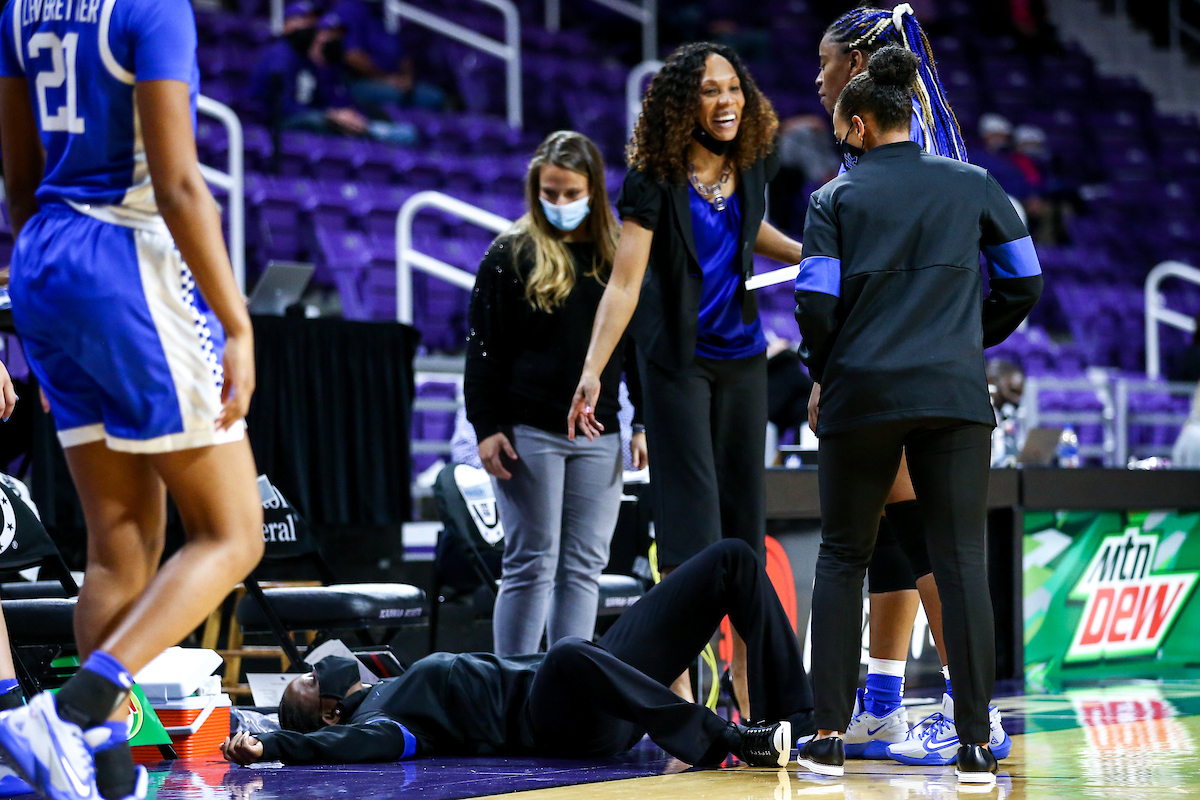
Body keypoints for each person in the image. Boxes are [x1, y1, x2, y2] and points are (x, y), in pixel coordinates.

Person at [0, 1, 266, 799]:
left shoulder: (18, 9)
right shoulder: (152, 7)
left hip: (42, 262)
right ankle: (72, 710)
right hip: (126, 258)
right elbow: (179, 185)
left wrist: (57, 314)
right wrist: (236, 321)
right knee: (233, 533)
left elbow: (18, 175)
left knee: (118, 546)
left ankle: (99, 770)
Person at [792, 46, 1042, 784]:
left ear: (860, 126)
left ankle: (829, 740)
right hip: (954, 397)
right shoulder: (974, 183)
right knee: (961, 561)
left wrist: (825, 369)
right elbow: (1025, 280)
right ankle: (975, 747)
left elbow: (815, 305)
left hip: (861, 397)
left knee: (843, 556)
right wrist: (967, 338)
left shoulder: (833, 199)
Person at [567, 42, 804, 716]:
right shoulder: (653, 179)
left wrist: (806, 251)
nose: (726, 101)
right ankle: (679, 697)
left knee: (745, 526)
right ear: (682, 103)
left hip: (743, 360)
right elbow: (625, 282)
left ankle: (751, 689)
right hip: (676, 362)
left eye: (733, 87)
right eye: (709, 90)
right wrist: (593, 371)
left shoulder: (752, 161)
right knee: (690, 532)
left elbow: (748, 228)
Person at [220, 539, 812, 769]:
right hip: (561, 719)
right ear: (328, 713)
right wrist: (274, 745)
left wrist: (260, 723)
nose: (315, 667)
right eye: (307, 681)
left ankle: (795, 726)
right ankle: (726, 739)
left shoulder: (382, 678)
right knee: (566, 653)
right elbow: (343, 747)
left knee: (732, 560)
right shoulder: (384, 722)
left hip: (602, 679)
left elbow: (346, 673)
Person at [812, 4, 991, 765]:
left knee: (923, 539)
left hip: (895, 377)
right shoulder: (919, 149)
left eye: (824, 63)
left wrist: (826, 369)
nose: (817, 79)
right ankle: (883, 701)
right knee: (892, 527)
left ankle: (967, 707)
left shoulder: (882, 169)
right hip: (934, 371)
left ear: (856, 68)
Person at [465, 131, 647, 657]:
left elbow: (636, 349)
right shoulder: (509, 254)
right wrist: (486, 428)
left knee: (584, 566)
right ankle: (511, 685)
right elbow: (483, 351)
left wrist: (642, 423)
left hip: (599, 432)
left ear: (593, 190)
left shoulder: (619, 255)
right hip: (528, 431)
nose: (561, 202)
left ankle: (568, 685)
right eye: (550, 193)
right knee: (531, 562)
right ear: (535, 190)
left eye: (571, 193)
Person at [247, 4, 413, 144]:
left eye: (312, 20)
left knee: (389, 125)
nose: (310, 25)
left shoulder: (312, 61)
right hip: (268, 121)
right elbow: (281, 106)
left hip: (305, 116)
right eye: (304, 20)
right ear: (287, 25)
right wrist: (331, 115)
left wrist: (345, 114)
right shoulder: (281, 56)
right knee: (323, 122)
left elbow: (327, 99)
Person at [327, 0, 446, 114]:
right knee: (407, 96)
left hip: (396, 80)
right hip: (361, 81)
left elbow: (403, 54)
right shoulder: (351, 8)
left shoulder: (385, 10)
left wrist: (407, 78)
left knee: (435, 96)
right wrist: (386, 79)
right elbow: (352, 56)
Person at [988, 359, 1026, 467]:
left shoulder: (1011, 414)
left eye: (1019, 392)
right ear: (992, 381)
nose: (1016, 398)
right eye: (1012, 390)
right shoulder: (984, 411)